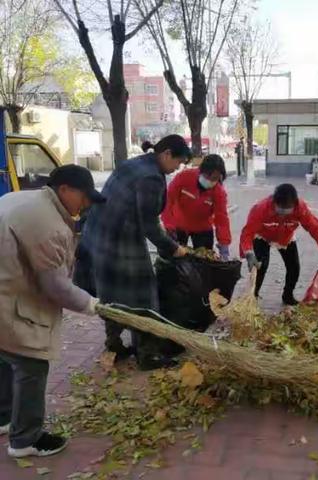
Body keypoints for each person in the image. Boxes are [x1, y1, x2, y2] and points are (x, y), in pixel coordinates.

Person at [0, 165, 103, 458]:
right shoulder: (48, 224)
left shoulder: (23, 199)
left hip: (6, 286)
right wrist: (91, 304)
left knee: (5, 356)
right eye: (84, 197)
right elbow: (55, 286)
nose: (85, 205)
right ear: (65, 190)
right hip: (8, 298)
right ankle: (25, 440)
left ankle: (3, 417)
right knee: (32, 364)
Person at [75, 135, 191, 371]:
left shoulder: (137, 163)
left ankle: (114, 344)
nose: (176, 169)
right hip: (120, 239)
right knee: (144, 296)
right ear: (167, 153)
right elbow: (148, 224)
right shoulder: (150, 177)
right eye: (177, 162)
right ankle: (147, 355)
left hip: (98, 233)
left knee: (110, 293)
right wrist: (172, 248)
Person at [239, 183, 318, 305]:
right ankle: (253, 296)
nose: (283, 212)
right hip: (262, 236)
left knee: (294, 267)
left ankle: (288, 295)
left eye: (288, 208)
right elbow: (247, 232)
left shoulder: (301, 208)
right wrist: (249, 252)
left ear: (295, 204)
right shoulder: (260, 208)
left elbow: (315, 228)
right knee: (261, 266)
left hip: (286, 237)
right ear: (274, 202)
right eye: (281, 208)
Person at [161, 154, 231, 259]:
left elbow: (221, 219)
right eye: (208, 176)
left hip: (203, 229)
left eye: (215, 178)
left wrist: (224, 244)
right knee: (174, 259)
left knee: (204, 261)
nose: (211, 181)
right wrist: (169, 226)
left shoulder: (219, 192)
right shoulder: (184, 177)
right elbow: (167, 201)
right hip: (178, 225)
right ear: (201, 171)